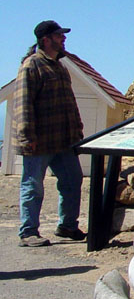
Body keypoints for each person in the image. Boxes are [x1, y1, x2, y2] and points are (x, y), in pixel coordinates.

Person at [13, 20, 85, 246]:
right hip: (39, 142)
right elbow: (23, 103)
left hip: (64, 141)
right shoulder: (31, 66)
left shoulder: (60, 67)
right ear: (46, 40)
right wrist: (27, 137)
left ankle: (67, 226)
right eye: (58, 35)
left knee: (73, 181)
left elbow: (70, 103)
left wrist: (78, 130)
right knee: (33, 186)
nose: (63, 39)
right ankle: (28, 232)